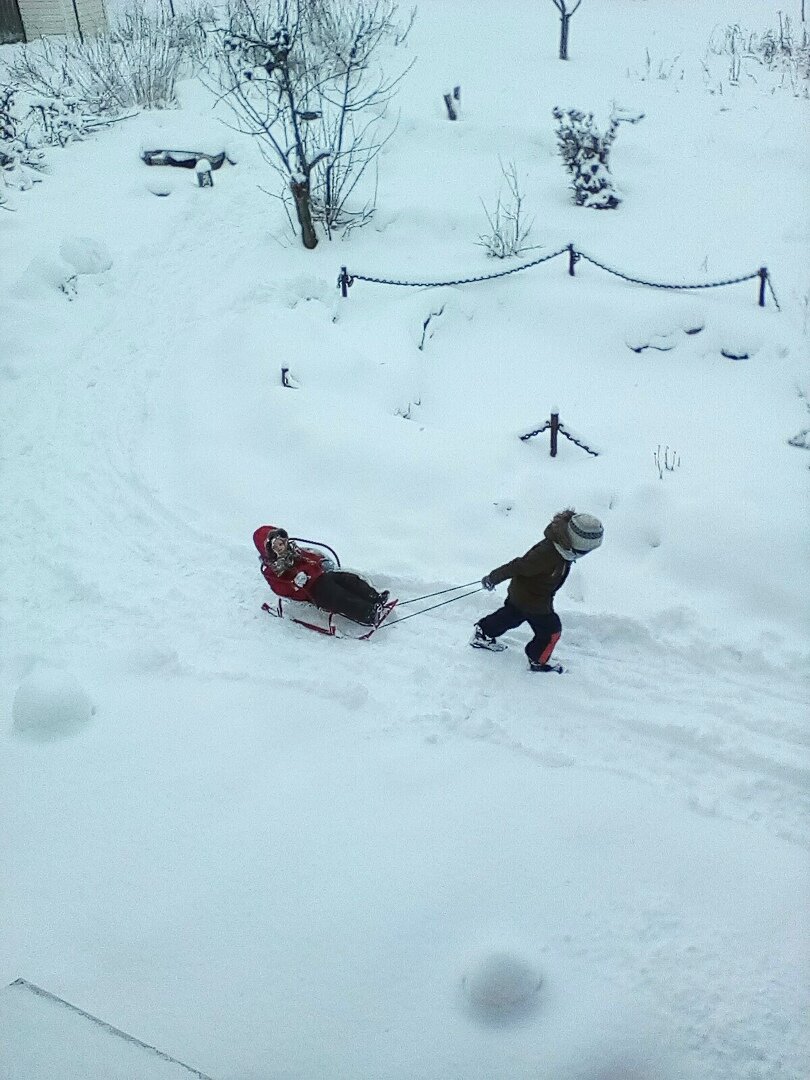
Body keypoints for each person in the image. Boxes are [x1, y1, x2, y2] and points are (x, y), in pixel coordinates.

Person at [471, 509, 603, 672]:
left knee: (512, 615)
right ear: (578, 544)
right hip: (533, 600)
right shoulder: (547, 554)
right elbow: (518, 566)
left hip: (524, 593)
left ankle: (483, 632)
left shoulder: (562, 548)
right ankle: (538, 660)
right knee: (551, 632)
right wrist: (493, 578)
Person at [254, 525, 389, 627]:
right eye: (276, 546)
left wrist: (319, 561)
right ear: (269, 550)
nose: (281, 547)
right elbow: (280, 588)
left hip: (322, 575)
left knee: (349, 579)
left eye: (281, 542)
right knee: (338, 596)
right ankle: (368, 614)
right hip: (310, 591)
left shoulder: (294, 551)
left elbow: (311, 556)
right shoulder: (272, 570)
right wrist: (295, 585)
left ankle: (373, 597)